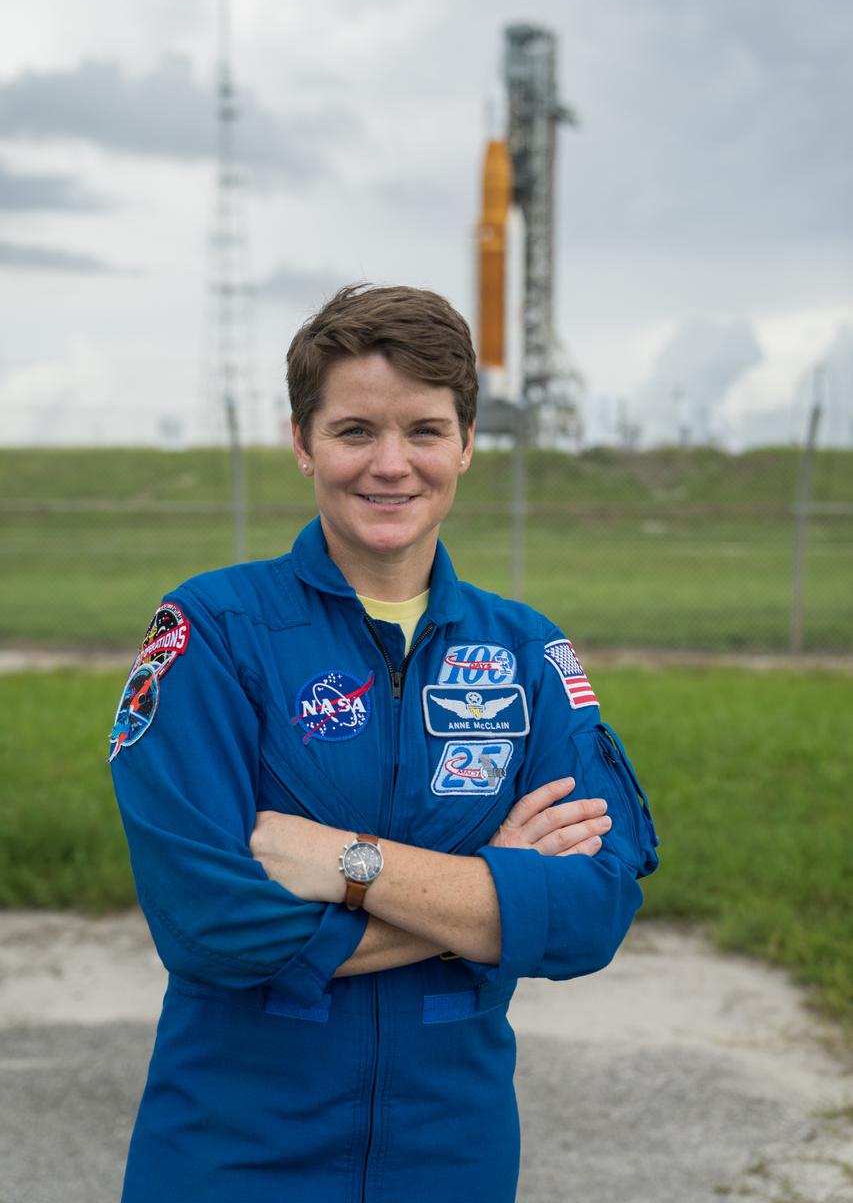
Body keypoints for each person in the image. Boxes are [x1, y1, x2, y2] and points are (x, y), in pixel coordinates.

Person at [109, 283, 659, 1203]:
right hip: (232, 1153)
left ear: (468, 444)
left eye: (425, 431)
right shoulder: (213, 630)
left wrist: (346, 862)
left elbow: (592, 911)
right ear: (302, 443)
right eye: (355, 430)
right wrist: (492, 891)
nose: (391, 465)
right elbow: (209, 925)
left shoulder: (525, 650)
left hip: (451, 1154)